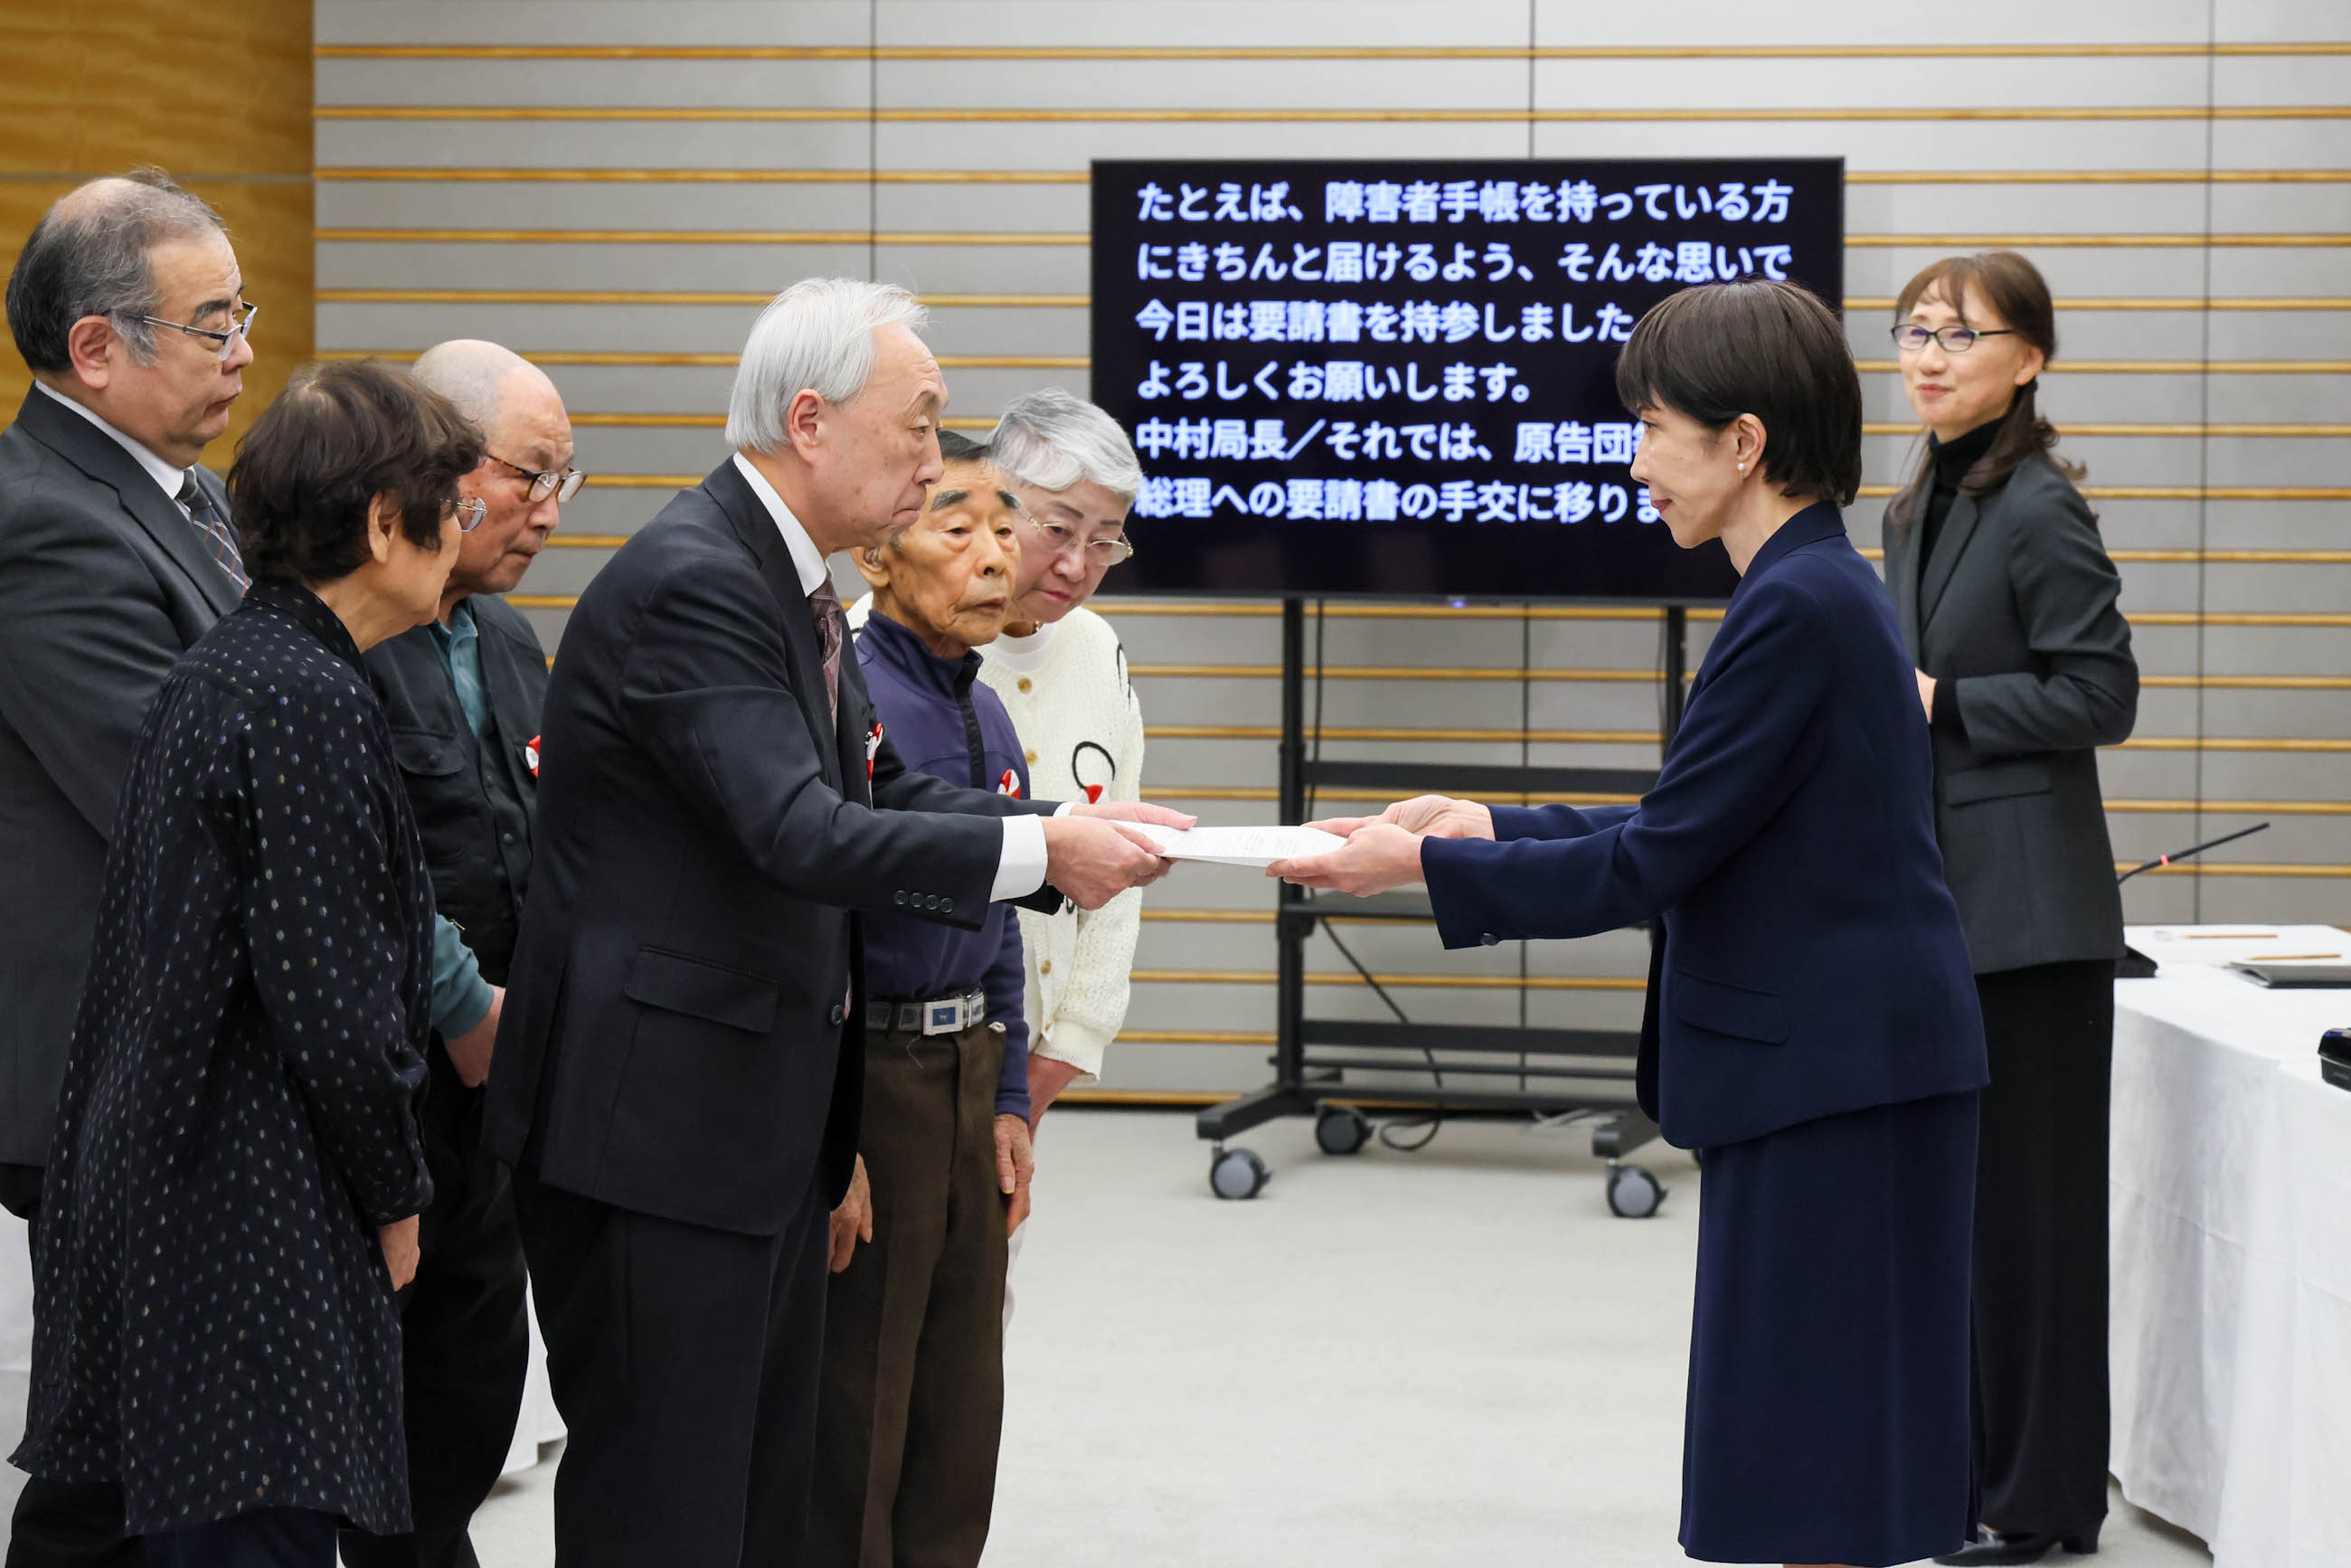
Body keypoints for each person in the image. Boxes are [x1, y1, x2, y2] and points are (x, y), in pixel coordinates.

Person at [1270, 279, 1989, 1568]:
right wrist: (1481, 827)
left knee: (1826, 1466)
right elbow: (1692, 819)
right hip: (1842, 1070)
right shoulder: (1810, 587)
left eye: (1655, 426)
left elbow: (1654, 858)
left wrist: (1417, 866)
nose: (1636, 459)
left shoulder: (1800, 604)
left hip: (1841, 1082)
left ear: (1747, 440)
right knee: (1823, 1455)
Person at [482, 278, 1189, 1568]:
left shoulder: (784, 583)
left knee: (761, 1498)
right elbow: (799, 832)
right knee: (668, 1506)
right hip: (657, 1135)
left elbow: (876, 787)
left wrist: (1055, 846)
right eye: (918, 425)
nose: (938, 460)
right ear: (809, 421)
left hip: (744, 1126)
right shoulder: (698, 580)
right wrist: (1038, 845)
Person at [10, 360, 486, 1567]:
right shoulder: (301, 695)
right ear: (387, 522)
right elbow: (329, 997)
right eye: (456, 507)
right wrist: (396, 1193)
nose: (464, 537)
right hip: (248, 1207)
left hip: (161, 1177)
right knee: (244, 1526)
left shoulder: (234, 665)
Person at [0, 168, 255, 1568]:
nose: (242, 352)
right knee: (112, 1473)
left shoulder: (182, 496)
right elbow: (174, 791)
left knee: (153, 1454)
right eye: (212, 322)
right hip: (123, 1070)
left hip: (183, 1059)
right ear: (96, 348)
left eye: (244, 313)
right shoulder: (42, 515)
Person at [1880, 254, 2138, 1568]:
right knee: (1971, 1221)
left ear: (2028, 357)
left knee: (2034, 1228)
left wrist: (1943, 704)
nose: (1927, 355)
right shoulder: (1921, 497)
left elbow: (2102, 697)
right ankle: (1982, 1474)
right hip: (1946, 907)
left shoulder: (2039, 505)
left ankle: (2043, 1504)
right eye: (1913, 330)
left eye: (1958, 334)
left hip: (2033, 921)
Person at [341, 340, 581, 1568]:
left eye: (564, 482)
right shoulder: (349, 645)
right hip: (386, 1085)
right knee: (385, 1407)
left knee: (478, 1389)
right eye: (530, 474)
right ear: (438, 459)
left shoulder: (514, 642)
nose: (547, 510)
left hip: (506, 1092)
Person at [818, 432, 1036, 1566]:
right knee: (860, 1402)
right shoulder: (851, 699)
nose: (994, 556)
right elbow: (824, 932)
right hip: (877, 1079)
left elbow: (1000, 917)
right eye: (957, 529)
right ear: (876, 557)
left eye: (1004, 529)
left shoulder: (986, 711)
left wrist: (1010, 1099)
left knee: (962, 1399)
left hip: (964, 1073)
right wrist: (833, 1134)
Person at [977, 390, 1148, 1129]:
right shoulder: (886, 645)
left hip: (1041, 1053)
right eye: (1058, 529)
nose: (1078, 565)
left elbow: (1126, 856)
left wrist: (1073, 1040)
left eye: (1105, 540)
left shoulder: (1097, 647)